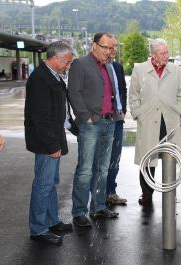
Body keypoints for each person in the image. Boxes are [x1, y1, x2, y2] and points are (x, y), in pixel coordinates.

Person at [68, 32, 122, 227]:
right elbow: (74, 93)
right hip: (91, 125)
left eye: (112, 48)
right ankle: (79, 212)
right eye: (106, 47)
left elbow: (111, 93)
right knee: (85, 170)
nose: (109, 51)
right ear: (94, 46)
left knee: (102, 168)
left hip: (109, 123)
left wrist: (117, 113)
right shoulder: (80, 65)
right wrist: (86, 117)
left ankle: (98, 207)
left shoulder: (108, 66)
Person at [24, 41, 74, 244]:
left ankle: (52, 221)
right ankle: (38, 229)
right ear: (56, 58)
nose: (68, 66)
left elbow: (60, 109)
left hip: (53, 140)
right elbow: (40, 118)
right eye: (67, 63)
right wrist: (53, 145)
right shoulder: (40, 79)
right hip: (46, 143)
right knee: (43, 185)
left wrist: (72, 128)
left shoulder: (53, 76)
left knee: (51, 183)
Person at [129, 38, 181, 206]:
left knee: (171, 157)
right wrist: (138, 114)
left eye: (167, 52)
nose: (167, 55)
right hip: (148, 120)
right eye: (162, 53)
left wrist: (179, 109)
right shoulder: (139, 70)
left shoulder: (176, 70)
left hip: (169, 119)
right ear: (153, 55)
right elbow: (133, 95)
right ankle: (146, 193)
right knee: (148, 159)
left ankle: (170, 192)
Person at [105, 37, 128, 205]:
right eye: (110, 47)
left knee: (115, 158)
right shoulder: (96, 67)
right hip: (102, 120)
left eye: (115, 47)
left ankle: (111, 192)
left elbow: (123, 90)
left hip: (117, 119)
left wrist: (123, 109)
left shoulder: (118, 67)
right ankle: (99, 195)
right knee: (101, 160)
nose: (113, 50)